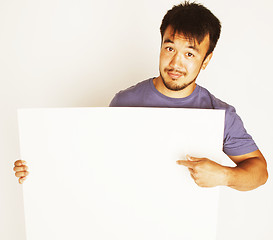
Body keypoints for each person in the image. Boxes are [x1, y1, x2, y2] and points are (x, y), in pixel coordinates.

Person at [14, 1, 268, 190]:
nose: (176, 63)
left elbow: (259, 171)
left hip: (189, 227)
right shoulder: (124, 102)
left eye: (190, 54)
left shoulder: (219, 114)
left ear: (206, 59)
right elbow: (92, 162)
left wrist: (225, 176)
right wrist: (38, 167)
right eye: (169, 48)